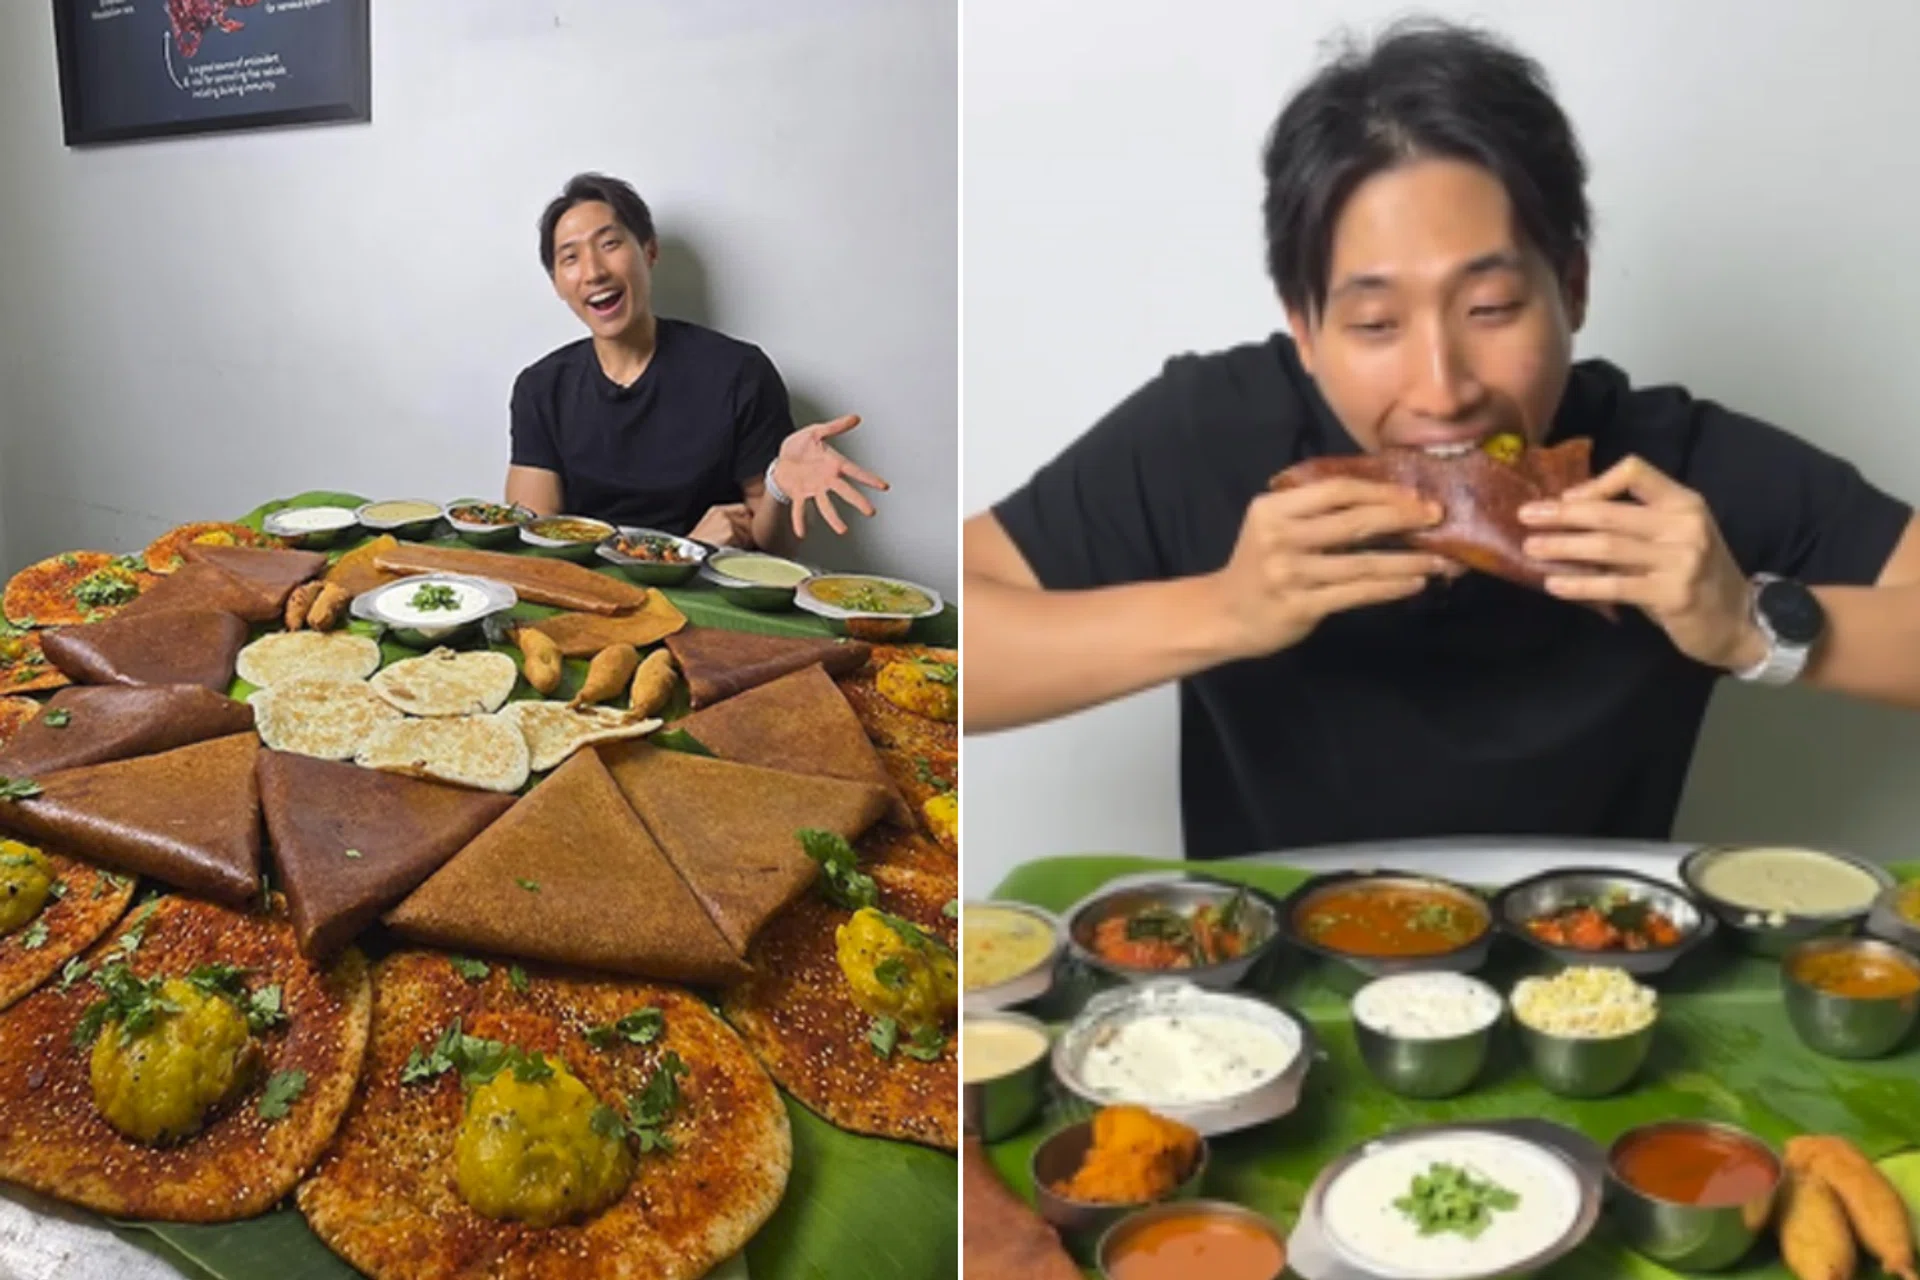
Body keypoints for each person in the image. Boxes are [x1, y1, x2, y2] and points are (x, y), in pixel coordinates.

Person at [965, 20, 1920, 861]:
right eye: (1376, 325)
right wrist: (1223, 610)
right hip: (1270, 1001)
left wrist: (1748, 624)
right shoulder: (1213, 433)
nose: (1443, 388)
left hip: (1597, 999)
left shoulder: (1661, 469)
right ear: (1304, 327)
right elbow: (956, 640)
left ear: (1573, 287)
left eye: (1492, 306)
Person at [505, 172, 889, 547]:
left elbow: (776, 547)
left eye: (609, 244)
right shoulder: (541, 389)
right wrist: (680, 550)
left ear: (649, 251)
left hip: (707, 601)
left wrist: (778, 488)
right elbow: (534, 546)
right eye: (570, 257)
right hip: (593, 597)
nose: (594, 272)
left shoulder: (739, 373)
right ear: (557, 282)